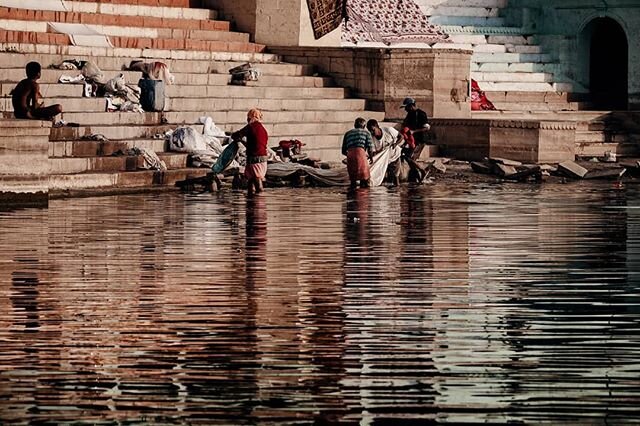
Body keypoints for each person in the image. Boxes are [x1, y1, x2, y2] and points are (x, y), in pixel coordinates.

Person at [232, 108, 269, 196]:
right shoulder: (262, 129)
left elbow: (237, 135)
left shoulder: (251, 126)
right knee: (251, 179)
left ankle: (258, 201)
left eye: (248, 118)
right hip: (262, 158)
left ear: (250, 117)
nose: (247, 120)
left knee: (256, 179)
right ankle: (251, 202)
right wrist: (241, 141)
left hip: (255, 158)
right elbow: (254, 144)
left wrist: (236, 137)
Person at [342, 117, 374, 189]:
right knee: (364, 180)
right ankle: (363, 198)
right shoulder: (366, 133)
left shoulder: (347, 133)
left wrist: (350, 155)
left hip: (350, 155)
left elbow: (343, 150)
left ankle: (352, 198)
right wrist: (371, 158)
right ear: (364, 126)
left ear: (354, 125)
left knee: (353, 181)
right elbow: (370, 148)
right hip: (361, 156)